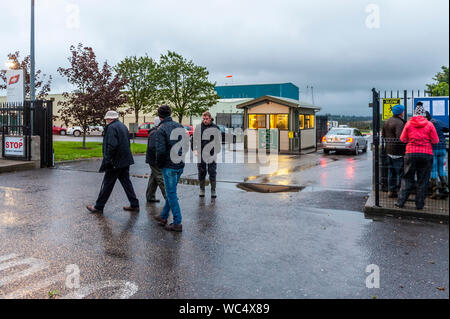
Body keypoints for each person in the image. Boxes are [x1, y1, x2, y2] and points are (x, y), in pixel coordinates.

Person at [87, 111, 139, 213]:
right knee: (126, 183)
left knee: (107, 184)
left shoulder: (111, 128)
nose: (106, 121)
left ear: (110, 119)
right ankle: (134, 204)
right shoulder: (122, 126)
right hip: (125, 160)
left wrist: (108, 160)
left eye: (106, 119)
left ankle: (98, 207)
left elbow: (112, 145)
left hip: (115, 161)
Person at [395, 103, 439, 210]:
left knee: (407, 178)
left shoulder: (409, 124)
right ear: (424, 114)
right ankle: (419, 205)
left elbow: (402, 139)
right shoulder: (429, 124)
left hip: (411, 153)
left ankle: (400, 202)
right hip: (426, 154)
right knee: (423, 180)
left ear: (414, 114)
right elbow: (435, 140)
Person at [152, 105, 189, 232]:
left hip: (169, 165)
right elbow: (186, 145)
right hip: (179, 163)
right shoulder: (179, 126)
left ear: (159, 116)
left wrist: (160, 164)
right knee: (171, 191)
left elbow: (160, 151)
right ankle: (163, 216)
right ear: (170, 113)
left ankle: (177, 222)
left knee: (171, 194)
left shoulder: (161, 129)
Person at [193, 112, 222, 198]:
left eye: (206, 119)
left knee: (212, 171)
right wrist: (194, 149)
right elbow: (194, 139)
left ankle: (213, 190)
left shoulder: (215, 128)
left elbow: (218, 141)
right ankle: (202, 189)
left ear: (210, 118)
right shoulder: (198, 127)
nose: (205, 120)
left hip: (211, 153)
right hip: (201, 153)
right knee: (201, 171)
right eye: (204, 119)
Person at [382, 104, 406, 198]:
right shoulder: (399, 123)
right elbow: (400, 138)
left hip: (389, 150)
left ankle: (391, 190)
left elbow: (383, 135)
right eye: (403, 111)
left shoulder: (387, 121)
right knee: (400, 173)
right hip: (398, 152)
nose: (403, 112)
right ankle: (399, 191)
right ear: (400, 112)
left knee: (391, 172)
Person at [425, 111, 449, 199]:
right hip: (442, 147)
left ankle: (435, 191)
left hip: (432, 149)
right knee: (441, 169)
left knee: (433, 170)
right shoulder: (437, 122)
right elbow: (447, 128)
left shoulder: (426, 124)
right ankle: (445, 189)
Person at [145, 117, 166, 203]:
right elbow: (154, 148)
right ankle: (169, 198)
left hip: (153, 159)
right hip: (155, 160)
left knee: (154, 178)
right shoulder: (155, 133)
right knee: (161, 178)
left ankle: (150, 196)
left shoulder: (155, 132)